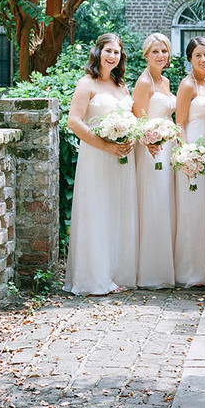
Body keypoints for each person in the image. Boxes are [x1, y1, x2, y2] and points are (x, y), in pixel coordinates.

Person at [64, 33, 137, 295]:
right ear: (98, 52)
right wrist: (105, 145)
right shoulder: (87, 83)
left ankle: (113, 274)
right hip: (97, 155)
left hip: (120, 158)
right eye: (108, 51)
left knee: (116, 212)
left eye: (117, 52)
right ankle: (93, 279)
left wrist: (130, 139)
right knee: (97, 211)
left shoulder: (122, 86)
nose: (112, 56)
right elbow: (74, 121)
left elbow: (132, 119)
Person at [132, 33, 176, 289]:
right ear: (146, 55)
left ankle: (164, 264)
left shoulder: (166, 81)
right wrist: (149, 141)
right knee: (154, 203)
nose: (161, 56)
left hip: (168, 146)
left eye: (164, 51)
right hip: (152, 149)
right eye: (156, 51)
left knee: (165, 202)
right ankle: (151, 272)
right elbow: (140, 119)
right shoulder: (144, 83)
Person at [174, 37, 205, 287]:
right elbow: (180, 122)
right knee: (192, 209)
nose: (203, 60)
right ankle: (191, 272)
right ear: (190, 57)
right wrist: (187, 154)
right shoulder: (187, 85)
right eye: (198, 55)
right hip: (193, 150)